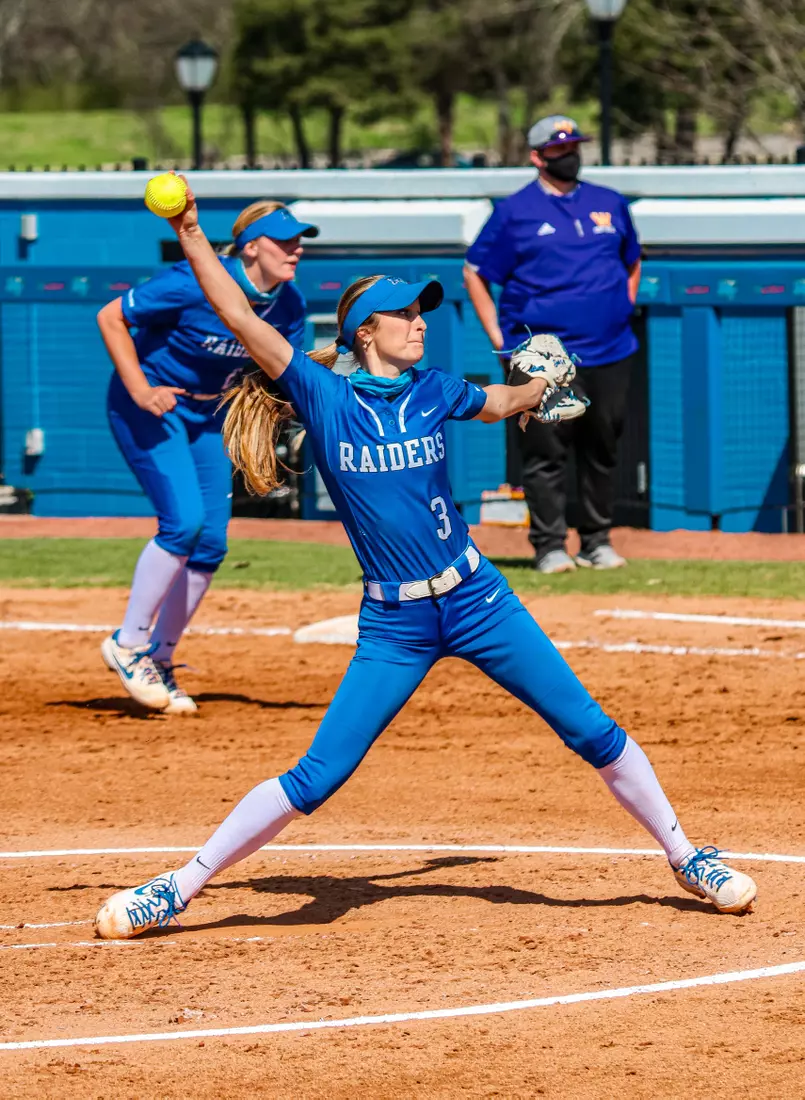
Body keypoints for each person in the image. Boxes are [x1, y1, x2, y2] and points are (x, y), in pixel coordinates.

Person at [94, 182, 756, 939]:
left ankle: (686, 855)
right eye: (404, 314)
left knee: (591, 730)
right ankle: (176, 887)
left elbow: (501, 402)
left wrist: (541, 384)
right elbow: (240, 316)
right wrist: (189, 230)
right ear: (363, 333)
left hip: (478, 601)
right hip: (395, 624)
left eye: (421, 312)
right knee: (317, 777)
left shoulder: (434, 389)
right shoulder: (323, 395)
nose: (419, 322)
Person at [96, 200, 318, 714]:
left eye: (299, 241)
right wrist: (140, 389)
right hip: (153, 407)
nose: (296, 250)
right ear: (250, 248)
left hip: (209, 416)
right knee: (183, 524)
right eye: (284, 240)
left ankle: (160, 658)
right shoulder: (192, 281)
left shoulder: (289, 304)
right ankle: (128, 644)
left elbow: (284, 375)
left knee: (212, 542)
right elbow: (111, 317)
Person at [464, 115, 642, 574]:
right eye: (558, 149)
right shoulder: (514, 211)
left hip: (610, 348)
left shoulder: (609, 202)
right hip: (542, 357)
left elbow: (632, 259)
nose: (569, 155)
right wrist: (500, 340)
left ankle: (596, 541)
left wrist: (623, 305)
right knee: (545, 452)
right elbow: (475, 272)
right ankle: (550, 546)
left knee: (602, 446)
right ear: (537, 157)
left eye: (574, 147)